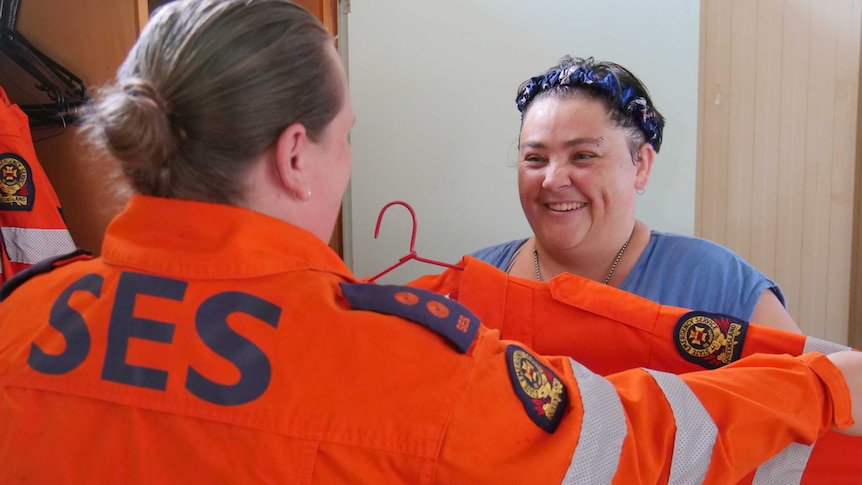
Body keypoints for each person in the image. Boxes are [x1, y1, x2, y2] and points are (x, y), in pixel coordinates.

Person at [0, 2, 859, 483]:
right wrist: (818, 386)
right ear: (298, 155)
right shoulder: (400, 363)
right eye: (348, 136)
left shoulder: (18, 319)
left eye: (582, 154)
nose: (555, 178)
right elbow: (629, 441)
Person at [471, 56, 801, 333]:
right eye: (535, 159)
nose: (552, 180)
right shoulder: (474, 281)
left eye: (583, 156)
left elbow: (820, 393)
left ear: (640, 165)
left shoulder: (716, 284)